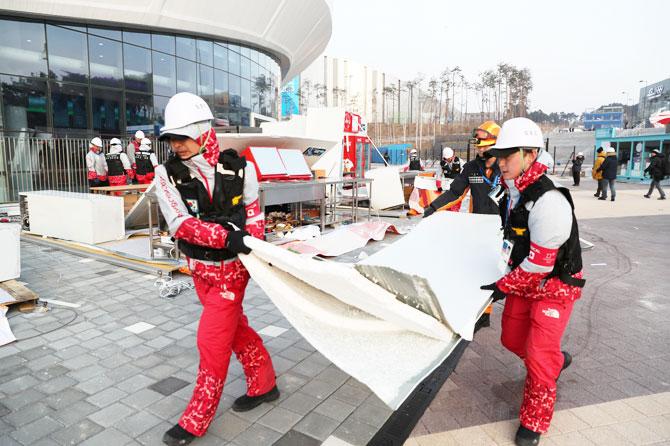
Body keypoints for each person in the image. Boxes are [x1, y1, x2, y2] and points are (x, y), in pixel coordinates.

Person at [154, 92, 277, 446]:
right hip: (199, 271)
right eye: (171, 138)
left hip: (233, 272)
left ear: (204, 131)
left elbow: (254, 215)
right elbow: (179, 224)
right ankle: (264, 384)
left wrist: (250, 248)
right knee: (236, 329)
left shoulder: (242, 169)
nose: (176, 145)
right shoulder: (165, 174)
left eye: (182, 136)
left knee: (211, 340)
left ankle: (196, 418)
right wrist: (227, 237)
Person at [480, 117, 585, 446]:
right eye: (498, 155)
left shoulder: (548, 201)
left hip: (554, 286)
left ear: (530, 153)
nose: (500, 162)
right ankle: (554, 361)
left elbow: (541, 265)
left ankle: (534, 420)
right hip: (525, 279)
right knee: (511, 339)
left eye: (508, 155)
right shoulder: (514, 190)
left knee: (538, 357)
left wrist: (501, 287)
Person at [424, 120, 502, 330]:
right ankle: (482, 313)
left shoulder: (505, 168)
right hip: (478, 228)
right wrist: (433, 208)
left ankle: (494, 305)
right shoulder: (471, 167)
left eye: (484, 146)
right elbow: (455, 193)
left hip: (501, 229)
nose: (480, 149)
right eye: (478, 145)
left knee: (498, 270)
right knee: (478, 268)